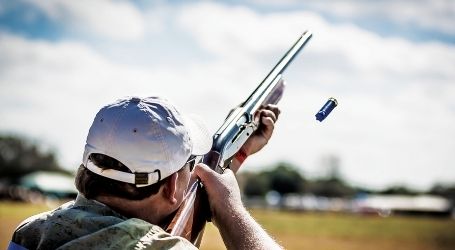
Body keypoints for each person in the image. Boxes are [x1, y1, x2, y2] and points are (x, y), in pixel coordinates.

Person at [9, 96, 283, 250]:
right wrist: (230, 209)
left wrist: (239, 154)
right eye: (190, 163)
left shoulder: (31, 233)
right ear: (172, 185)